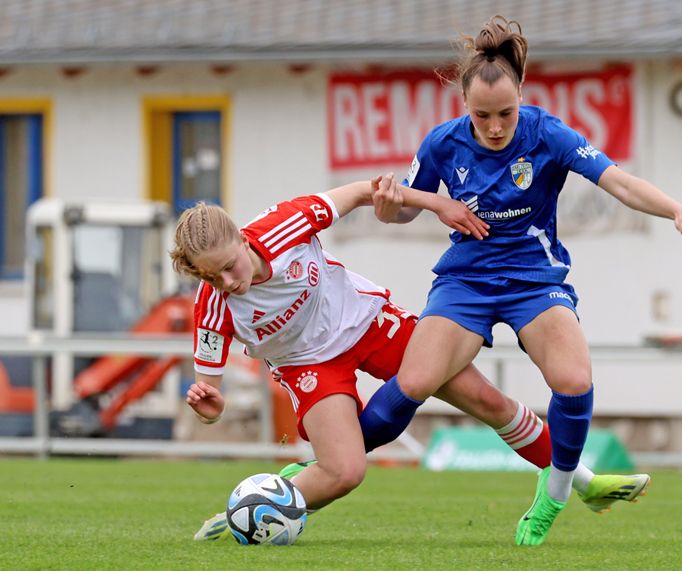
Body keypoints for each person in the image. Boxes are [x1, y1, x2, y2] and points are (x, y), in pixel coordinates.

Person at [358, 15, 682, 546]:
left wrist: (677, 211)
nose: (495, 126)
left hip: (534, 279)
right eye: (482, 115)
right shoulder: (443, 143)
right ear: (464, 105)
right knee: (414, 382)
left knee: (574, 380)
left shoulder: (548, 133)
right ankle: (326, 465)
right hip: (467, 281)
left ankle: (553, 495)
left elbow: (619, 182)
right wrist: (390, 208)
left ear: (521, 97)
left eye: (505, 113)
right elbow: (401, 212)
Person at [170, 174, 650, 542]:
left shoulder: (285, 224)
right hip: (306, 365)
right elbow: (210, 388)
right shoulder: (213, 306)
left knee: (488, 400)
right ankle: (249, 514)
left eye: (230, 267)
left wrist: (438, 204)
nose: (229, 282)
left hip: (370, 322)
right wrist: (210, 408)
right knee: (345, 472)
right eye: (213, 277)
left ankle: (581, 483)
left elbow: (364, 191)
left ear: (241, 238)